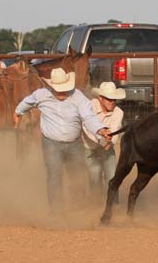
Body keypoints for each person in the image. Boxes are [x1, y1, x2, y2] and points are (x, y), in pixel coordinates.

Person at [13, 67, 111, 214]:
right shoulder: (41, 95)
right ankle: (56, 211)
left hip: (74, 144)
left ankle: (77, 208)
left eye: (64, 89)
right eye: (59, 89)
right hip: (51, 143)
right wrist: (17, 112)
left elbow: (89, 117)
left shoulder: (78, 97)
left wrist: (101, 130)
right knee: (54, 175)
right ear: (51, 87)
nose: (62, 92)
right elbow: (26, 102)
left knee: (77, 175)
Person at [82, 82, 126, 200]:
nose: (112, 102)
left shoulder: (118, 112)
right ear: (100, 98)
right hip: (90, 148)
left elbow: (115, 129)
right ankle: (96, 204)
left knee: (112, 178)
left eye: (114, 100)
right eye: (109, 99)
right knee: (94, 178)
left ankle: (113, 205)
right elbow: (86, 128)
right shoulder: (89, 107)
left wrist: (109, 142)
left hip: (107, 147)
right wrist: (102, 140)